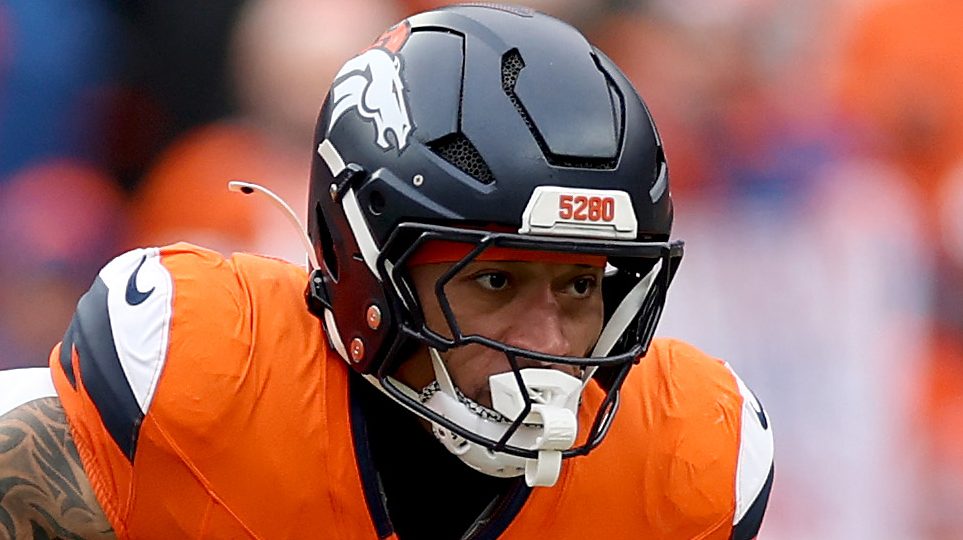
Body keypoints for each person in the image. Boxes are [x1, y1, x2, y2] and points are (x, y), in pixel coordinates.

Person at [0, 4, 773, 539]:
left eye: (578, 286)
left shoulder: (681, 462)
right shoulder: (209, 384)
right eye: (495, 281)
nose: (547, 343)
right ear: (363, 264)